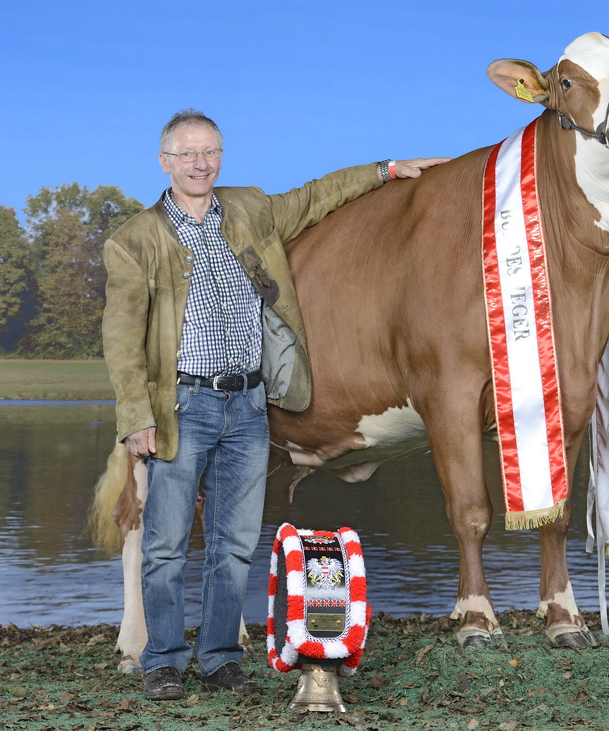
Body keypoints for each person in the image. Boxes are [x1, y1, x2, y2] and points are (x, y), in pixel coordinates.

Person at [102, 109, 447, 702]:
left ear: (220, 156)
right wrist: (136, 417)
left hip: (249, 405)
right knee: (164, 544)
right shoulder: (134, 240)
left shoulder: (249, 209)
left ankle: (217, 658)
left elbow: (317, 196)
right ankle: (163, 659)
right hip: (181, 405)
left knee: (234, 543)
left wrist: (387, 169)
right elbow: (121, 338)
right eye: (186, 154)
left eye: (209, 152)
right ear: (164, 162)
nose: (199, 164)